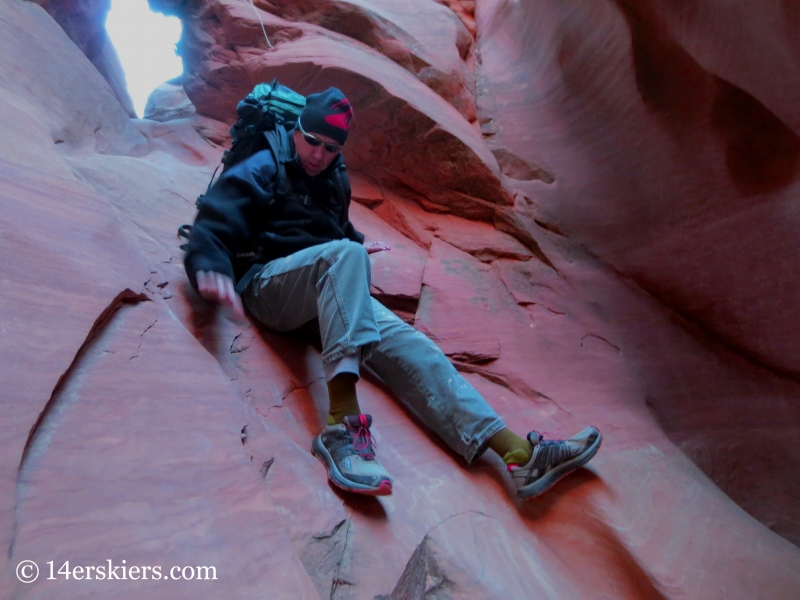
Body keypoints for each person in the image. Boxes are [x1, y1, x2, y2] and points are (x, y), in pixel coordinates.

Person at [183, 87, 601, 498]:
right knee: (345, 257)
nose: (318, 155)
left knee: (414, 347)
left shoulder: (332, 176)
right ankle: (342, 428)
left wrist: (356, 243)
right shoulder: (264, 163)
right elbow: (215, 221)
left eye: (330, 148)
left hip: (324, 295)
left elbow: (334, 230)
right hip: (266, 285)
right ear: (297, 129)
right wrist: (210, 266)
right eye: (312, 142)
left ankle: (518, 454)